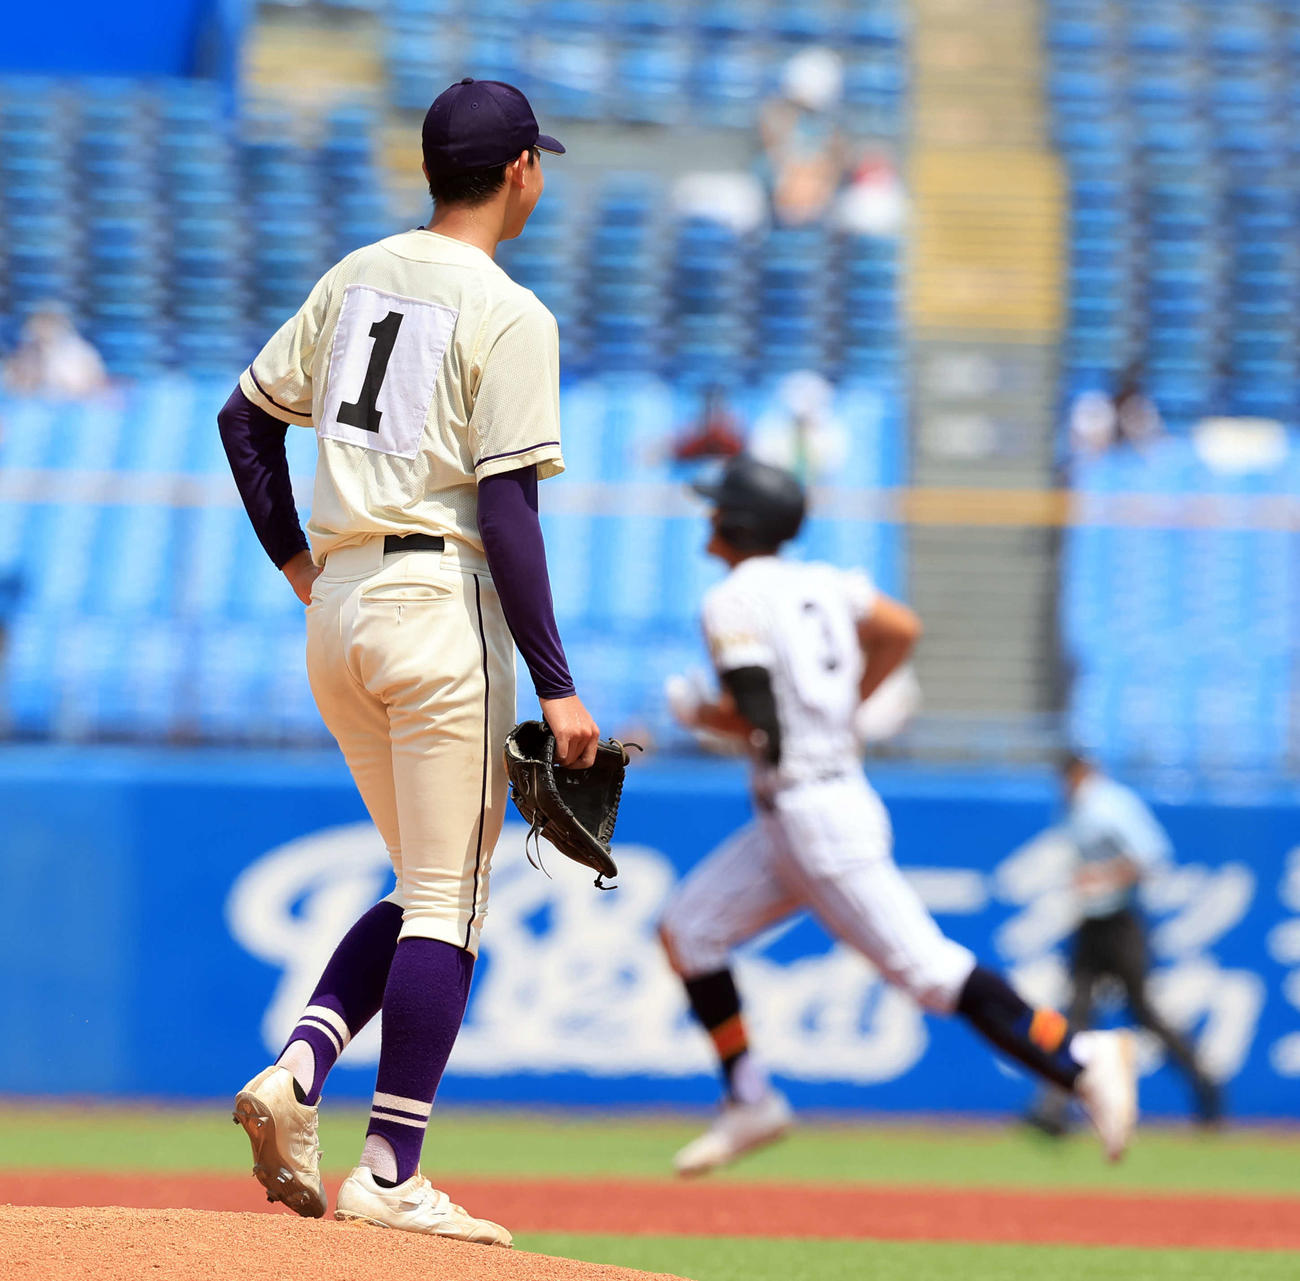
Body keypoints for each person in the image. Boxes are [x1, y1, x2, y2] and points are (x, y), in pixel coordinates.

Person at [218, 78, 599, 1245]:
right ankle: (391, 1171)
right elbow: (507, 509)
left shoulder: (356, 274)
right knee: (451, 895)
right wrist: (557, 682)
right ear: (522, 170)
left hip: (337, 610)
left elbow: (243, 420)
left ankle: (298, 1067)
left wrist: (295, 559)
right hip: (439, 602)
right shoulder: (508, 310)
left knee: (420, 880)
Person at [658, 455, 1138, 1176]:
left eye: (717, 506)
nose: (708, 516)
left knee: (930, 971)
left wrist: (702, 715)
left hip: (814, 814)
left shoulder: (730, 601)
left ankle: (1077, 1052)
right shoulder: (822, 581)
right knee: (690, 928)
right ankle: (749, 1099)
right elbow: (901, 628)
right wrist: (843, 699)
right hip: (808, 806)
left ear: (737, 521)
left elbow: (765, 722)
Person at [1026, 754, 1223, 1135]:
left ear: (1080, 772)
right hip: (1092, 923)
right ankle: (1051, 1109)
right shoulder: (1078, 808)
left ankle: (1206, 1084)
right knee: (1076, 1015)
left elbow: (1151, 856)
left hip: (1120, 924)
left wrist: (1103, 877)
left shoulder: (1110, 803)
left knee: (1143, 1013)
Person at [3, 304, 108, 398]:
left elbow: (87, 387)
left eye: (48, 323)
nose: (43, 328)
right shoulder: (26, 352)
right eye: (40, 323)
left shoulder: (79, 353)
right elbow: (13, 387)